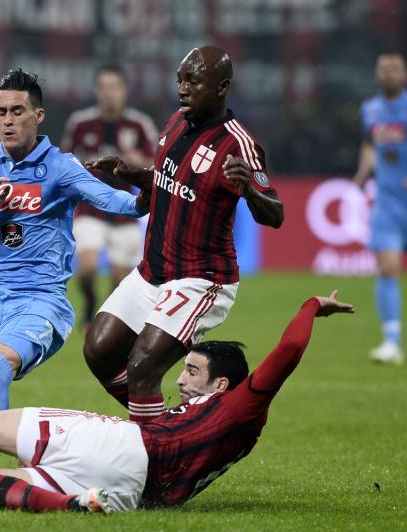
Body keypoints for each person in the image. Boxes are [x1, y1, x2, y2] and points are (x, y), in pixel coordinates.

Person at [0, 291, 354, 513]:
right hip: (132, 492)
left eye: (193, 371)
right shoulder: (215, 427)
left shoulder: (243, 406)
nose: (182, 380)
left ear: (224, 385)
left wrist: (310, 305)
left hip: (122, 449)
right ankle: (74, 506)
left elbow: (287, 351)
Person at [0, 68, 147, 471]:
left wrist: (150, 194)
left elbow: (117, 202)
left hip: (40, 301)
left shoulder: (60, 167)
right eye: (0, 111)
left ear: (38, 116)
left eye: (17, 111)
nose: (7, 120)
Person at [82, 45, 285, 423]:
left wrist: (249, 190)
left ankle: (155, 453)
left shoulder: (239, 144)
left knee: (143, 365)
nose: (182, 89)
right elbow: (166, 181)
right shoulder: (175, 122)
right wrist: (129, 173)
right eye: (179, 80)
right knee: (99, 349)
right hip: (152, 271)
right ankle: (171, 431)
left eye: (193, 81)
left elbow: (275, 215)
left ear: (222, 87)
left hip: (200, 278)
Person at [61, 65, 158, 331]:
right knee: (87, 268)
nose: (108, 93)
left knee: (118, 278)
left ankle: (102, 317)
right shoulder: (81, 123)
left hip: (126, 211)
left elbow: (158, 165)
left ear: (124, 91)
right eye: (103, 87)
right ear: (96, 91)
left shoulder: (139, 125)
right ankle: (90, 303)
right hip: (89, 209)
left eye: (114, 87)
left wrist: (138, 160)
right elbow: (64, 160)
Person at [353, 52, 407, 365]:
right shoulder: (370, 109)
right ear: (377, 75)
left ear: (404, 74)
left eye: (394, 68)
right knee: (387, 269)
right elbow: (370, 144)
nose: (389, 73)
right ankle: (391, 341)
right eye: (384, 68)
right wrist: (364, 171)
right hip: (387, 203)